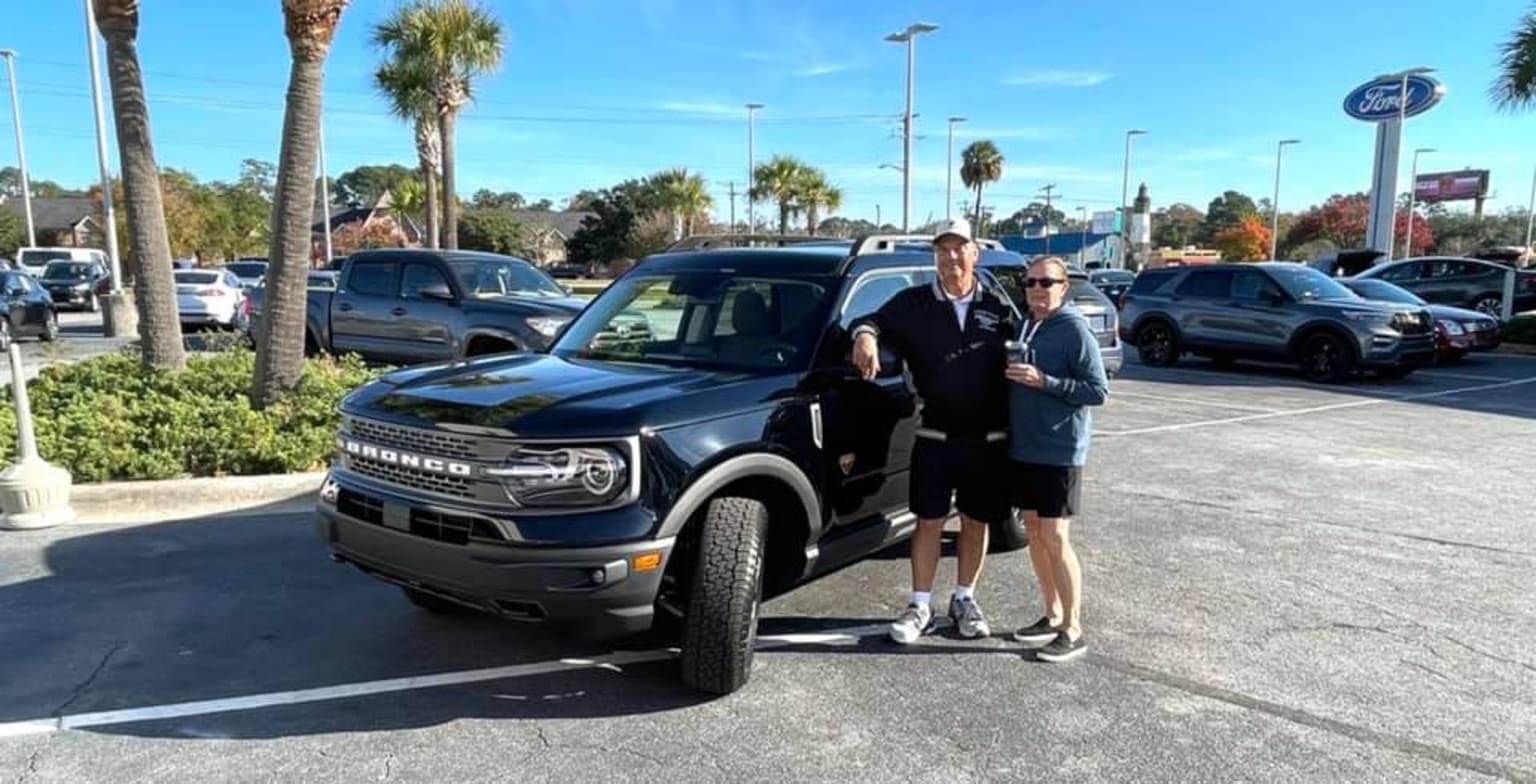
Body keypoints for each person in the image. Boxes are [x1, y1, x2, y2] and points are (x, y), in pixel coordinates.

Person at [851, 218, 1015, 643]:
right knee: (929, 521)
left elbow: (1028, 348)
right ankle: (919, 604)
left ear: (975, 254)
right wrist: (865, 338)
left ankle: (965, 598)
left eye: (959, 248)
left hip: (987, 439)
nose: (951, 257)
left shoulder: (998, 309)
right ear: (935, 256)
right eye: (943, 249)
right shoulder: (912, 303)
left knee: (976, 522)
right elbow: (872, 321)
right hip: (935, 436)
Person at [1005, 255, 1109, 663]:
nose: (1036, 289)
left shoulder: (1074, 329)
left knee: (1056, 536)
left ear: (1064, 287)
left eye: (1046, 282)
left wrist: (1046, 382)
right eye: (1030, 282)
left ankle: (1074, 628)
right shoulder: (1027, 324)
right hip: (1024, 447)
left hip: (1059, 450)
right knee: (1034, 531)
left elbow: (1098, 391)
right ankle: (1051, 615)